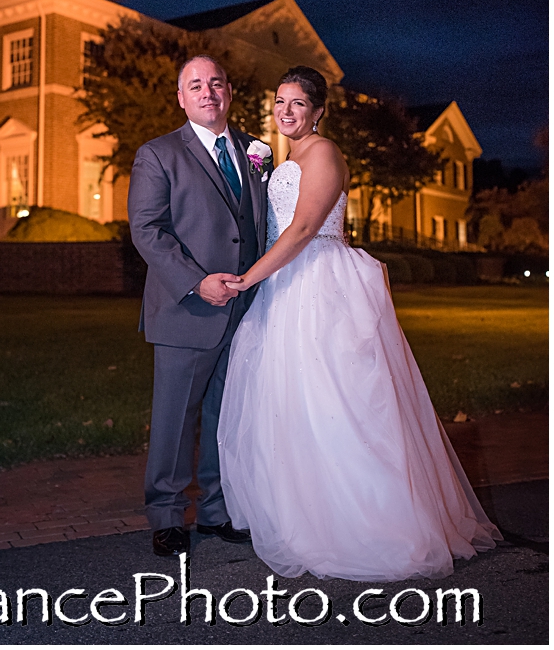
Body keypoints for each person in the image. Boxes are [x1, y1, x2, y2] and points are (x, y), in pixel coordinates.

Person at [216, 66, 498, 580]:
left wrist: (246, 278)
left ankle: (371, 522)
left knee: (338, 398)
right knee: (290, 402)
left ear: (319, 110)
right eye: (280, 101)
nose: (285, 111)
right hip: (285, 286)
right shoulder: (284, 158)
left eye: (298, 103)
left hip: (319, 284)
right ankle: (306, 515)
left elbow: (303, 229)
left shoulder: (323, 153)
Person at [127, 54, 268, 557]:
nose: (207, 92)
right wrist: (196, 281)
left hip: (246, 307)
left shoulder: (255, 151)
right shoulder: (159, 154)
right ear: (181, 98)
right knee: (175, 417)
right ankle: (166, 515)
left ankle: (215, 510)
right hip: (187, 308)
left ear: (228, 91)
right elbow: (147, 229)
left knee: (226, 415)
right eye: (195, 85)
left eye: (215, 83)